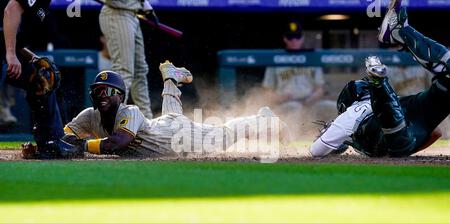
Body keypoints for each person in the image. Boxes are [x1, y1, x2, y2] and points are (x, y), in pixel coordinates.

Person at [60, 61, 288, 158]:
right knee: (172, 116)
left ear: (120, 95)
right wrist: (52, 145)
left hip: (178, 137)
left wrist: (80, 145)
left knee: (222, 137)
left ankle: (262, 119)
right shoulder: (89, 115)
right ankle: (170, 79)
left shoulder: (130, 112)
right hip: (164, 125)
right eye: (98, 90)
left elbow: (116, 143)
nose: (102, 95)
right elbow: (64, 135)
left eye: (108, 91)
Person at [310, 0, 449, 158]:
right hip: (397, 126)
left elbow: (315, 151)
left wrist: (331, 134)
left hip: (398, 135)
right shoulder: (355, 110)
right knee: (392, 118)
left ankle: (380, 82)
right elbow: (435, 133)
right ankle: (381, 79)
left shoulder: (348, 118)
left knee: (395, 125)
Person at [2, 0, 79, 158]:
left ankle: (50, 143)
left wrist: (31, 57)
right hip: (5, 52)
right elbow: (11, 9)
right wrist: (10, 54)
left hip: (6, 49)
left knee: (42, 76)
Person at [262, 20, 335, 137]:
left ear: (302, 38)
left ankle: (334, 140)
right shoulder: (276, 58)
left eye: (297, 37)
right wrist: (281, 97)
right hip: (286, 105)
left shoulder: (311, 58)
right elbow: (267, 92)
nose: (294, 41)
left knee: (332, 106)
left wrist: (312, 97)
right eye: (290, 38)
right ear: (285, 39)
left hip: (310, 103)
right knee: (295, 107)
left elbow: (319, 88)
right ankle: (293, 141)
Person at [99, 0, 153, 119]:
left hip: (132, 14)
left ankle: (146, 122)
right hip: (116, 12)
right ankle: (113, 121)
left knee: (140, 71)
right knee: (123, 70)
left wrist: (145, 6)